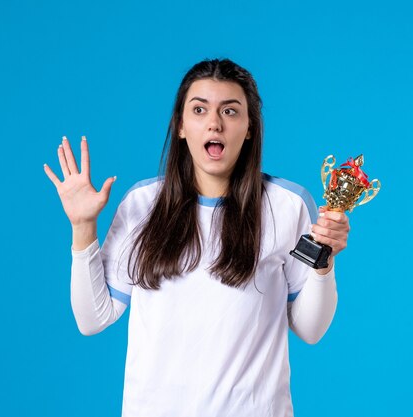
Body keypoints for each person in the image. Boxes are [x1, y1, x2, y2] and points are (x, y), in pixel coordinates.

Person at [43, 58, 349, 417]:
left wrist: (324, 263)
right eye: (200, 109)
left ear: (250, 127)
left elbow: (311, 329)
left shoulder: (287, 205)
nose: (214, 123)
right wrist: (82, 227)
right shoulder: (141, 205)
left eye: (230, 111)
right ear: (181, 125)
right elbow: (92, 318)